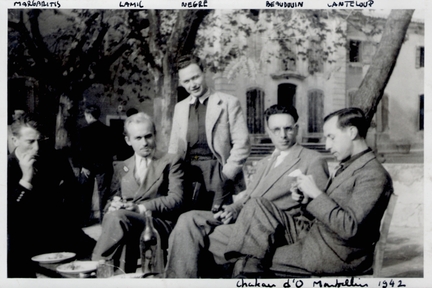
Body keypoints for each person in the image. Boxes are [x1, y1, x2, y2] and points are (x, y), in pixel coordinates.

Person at [164, 104, 329, 278]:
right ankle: (177, 281)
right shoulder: (265, 162)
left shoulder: (312, 159)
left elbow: (319, 209)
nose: (283, 135)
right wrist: (232, 210)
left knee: (200, 240)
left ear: (296, 129)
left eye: (288, 129)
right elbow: (250, 196)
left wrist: (303, 200)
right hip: (245, 218)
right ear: (269, 131)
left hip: (274, 228)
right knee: (189, 219)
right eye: (276, 129)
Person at [234, 107, 394, 277]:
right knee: (257, 205)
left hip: (334, 255)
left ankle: (243, 278)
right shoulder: (351, 166)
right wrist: (306, 200)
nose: (327, 145)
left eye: (331, 137)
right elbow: (332, 212)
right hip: (317, 238)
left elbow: (350, 228)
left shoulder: (373, 174)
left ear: (352, 132)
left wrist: (316, 194)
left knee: (250, 259)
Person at [92, 112, 185, 273]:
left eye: (148, 136)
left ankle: (96, 265)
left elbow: (176, 199)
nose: (145, 143)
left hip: (159, 224)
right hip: (126, 223)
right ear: (128, 140)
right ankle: (118, 278)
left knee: (117, 218)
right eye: (138, 138)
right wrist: (113, 205)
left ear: (155, 135)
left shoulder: (171, 161)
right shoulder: (121, 167)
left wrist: (139, 208)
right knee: (116, 218)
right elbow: (111, 201)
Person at [7, 113, 96, 278]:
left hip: (60, 233)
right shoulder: (7, 167)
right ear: (15, 141)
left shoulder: (55, 159)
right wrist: (25, 180)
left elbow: (75, 199)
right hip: (25, 240)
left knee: (101, 256)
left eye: (41, 141)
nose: (37, 148)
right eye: (30, 142)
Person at [168, 54, 250, 212]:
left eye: (195, 77)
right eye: (186, 81)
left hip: (218, 172)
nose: (192, 85)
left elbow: (242, 144)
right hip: (189, 175)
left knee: (218, 219)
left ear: (204, 72)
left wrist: (226, 176)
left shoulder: (227, 102)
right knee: (189, 219)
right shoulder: (180, 107)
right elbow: (174, 148)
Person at [77, 104, 115, 225]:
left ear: (88, 115)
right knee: (104, 194)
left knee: (84, 194)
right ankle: (105, 221)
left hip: (87, 168)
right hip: (104, 167)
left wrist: (84, 166)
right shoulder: (108, 130)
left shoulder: (83, 131)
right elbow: (112, 150)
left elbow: (81, 151)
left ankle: (84, 220)